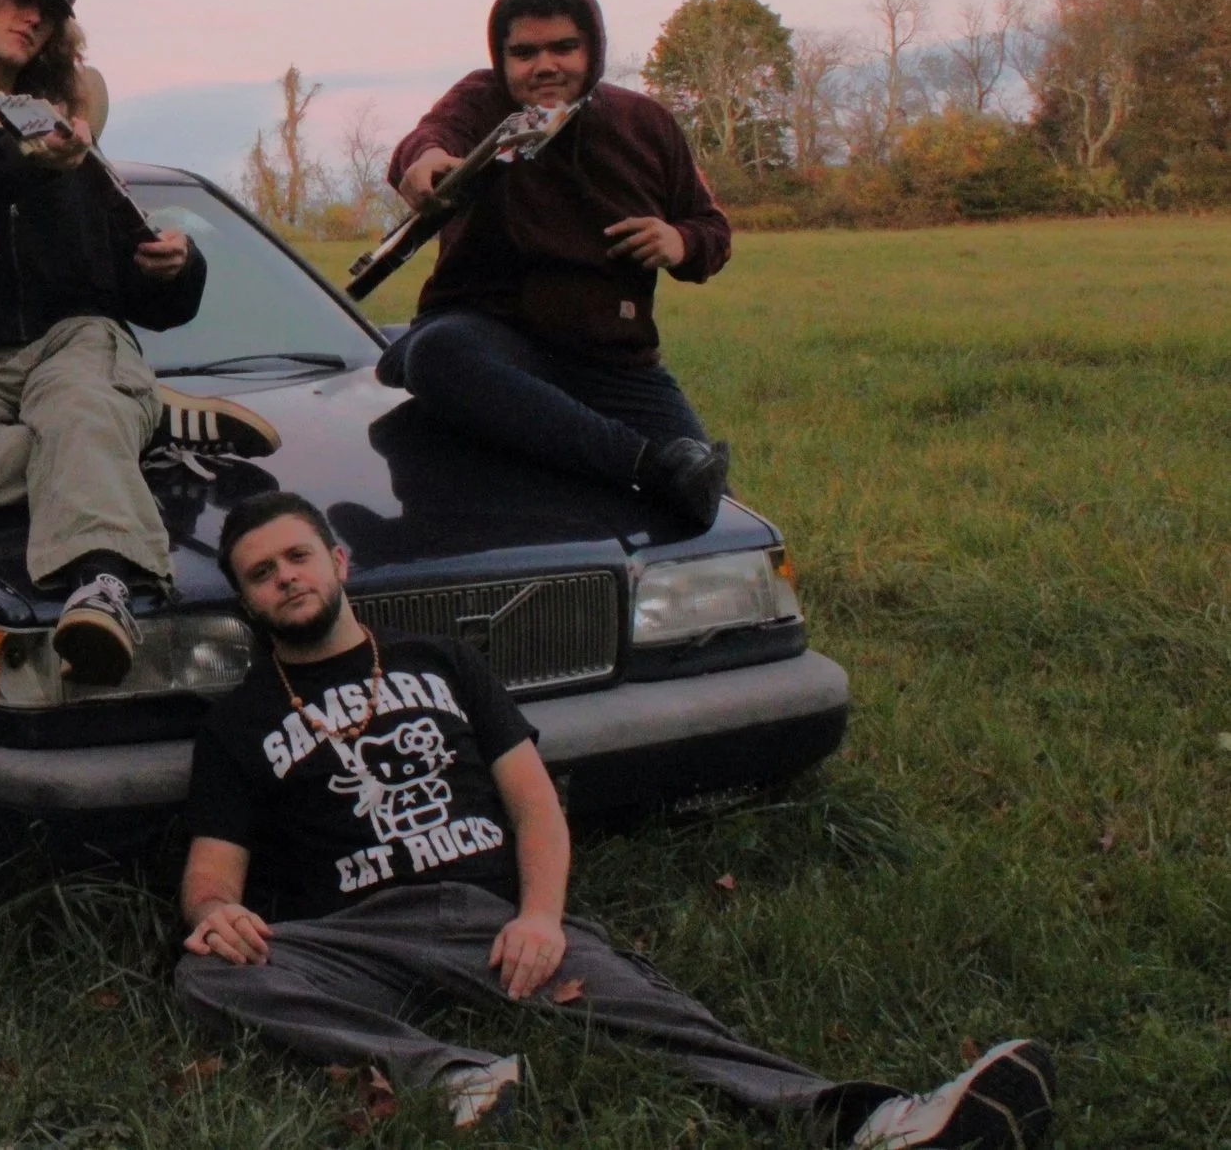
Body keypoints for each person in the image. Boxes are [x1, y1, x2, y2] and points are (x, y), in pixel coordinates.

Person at [176, 489, 1057, 1146]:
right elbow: (212, 875)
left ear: (339, 561)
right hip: (357, 937)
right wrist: (216, 913)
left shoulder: (440, 661)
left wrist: (540, 917)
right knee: (208, 973)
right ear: (248, 601)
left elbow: (534, 803)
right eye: (262, 573)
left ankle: (874, 1120)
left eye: (297, 556)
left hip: (484, 914)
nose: (285, 578)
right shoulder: (240, 722)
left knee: (663, 1021)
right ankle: (452, 1075)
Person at [0, 0, 274, 686]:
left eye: (49, 12)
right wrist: (17, 160)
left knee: (79, 404)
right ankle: (134, 421)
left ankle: (105, 585)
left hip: (72, 340)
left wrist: (177, 267)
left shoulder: (69, 140)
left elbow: (142, 283)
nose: (33, 18)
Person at [380, 0, 734, 528]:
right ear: (501, 59)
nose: (544, 65)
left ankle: (667, 469)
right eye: (524, 53)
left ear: (593, 51)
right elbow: (429, 139)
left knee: (712, 507)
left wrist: (680, 240)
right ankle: (648, 464)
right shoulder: (481, 102)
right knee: (438, 353)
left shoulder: (646, 124)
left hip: (613, 360)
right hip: (496, 337)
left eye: (564, 47)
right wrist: (424, 162)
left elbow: (711, 228)